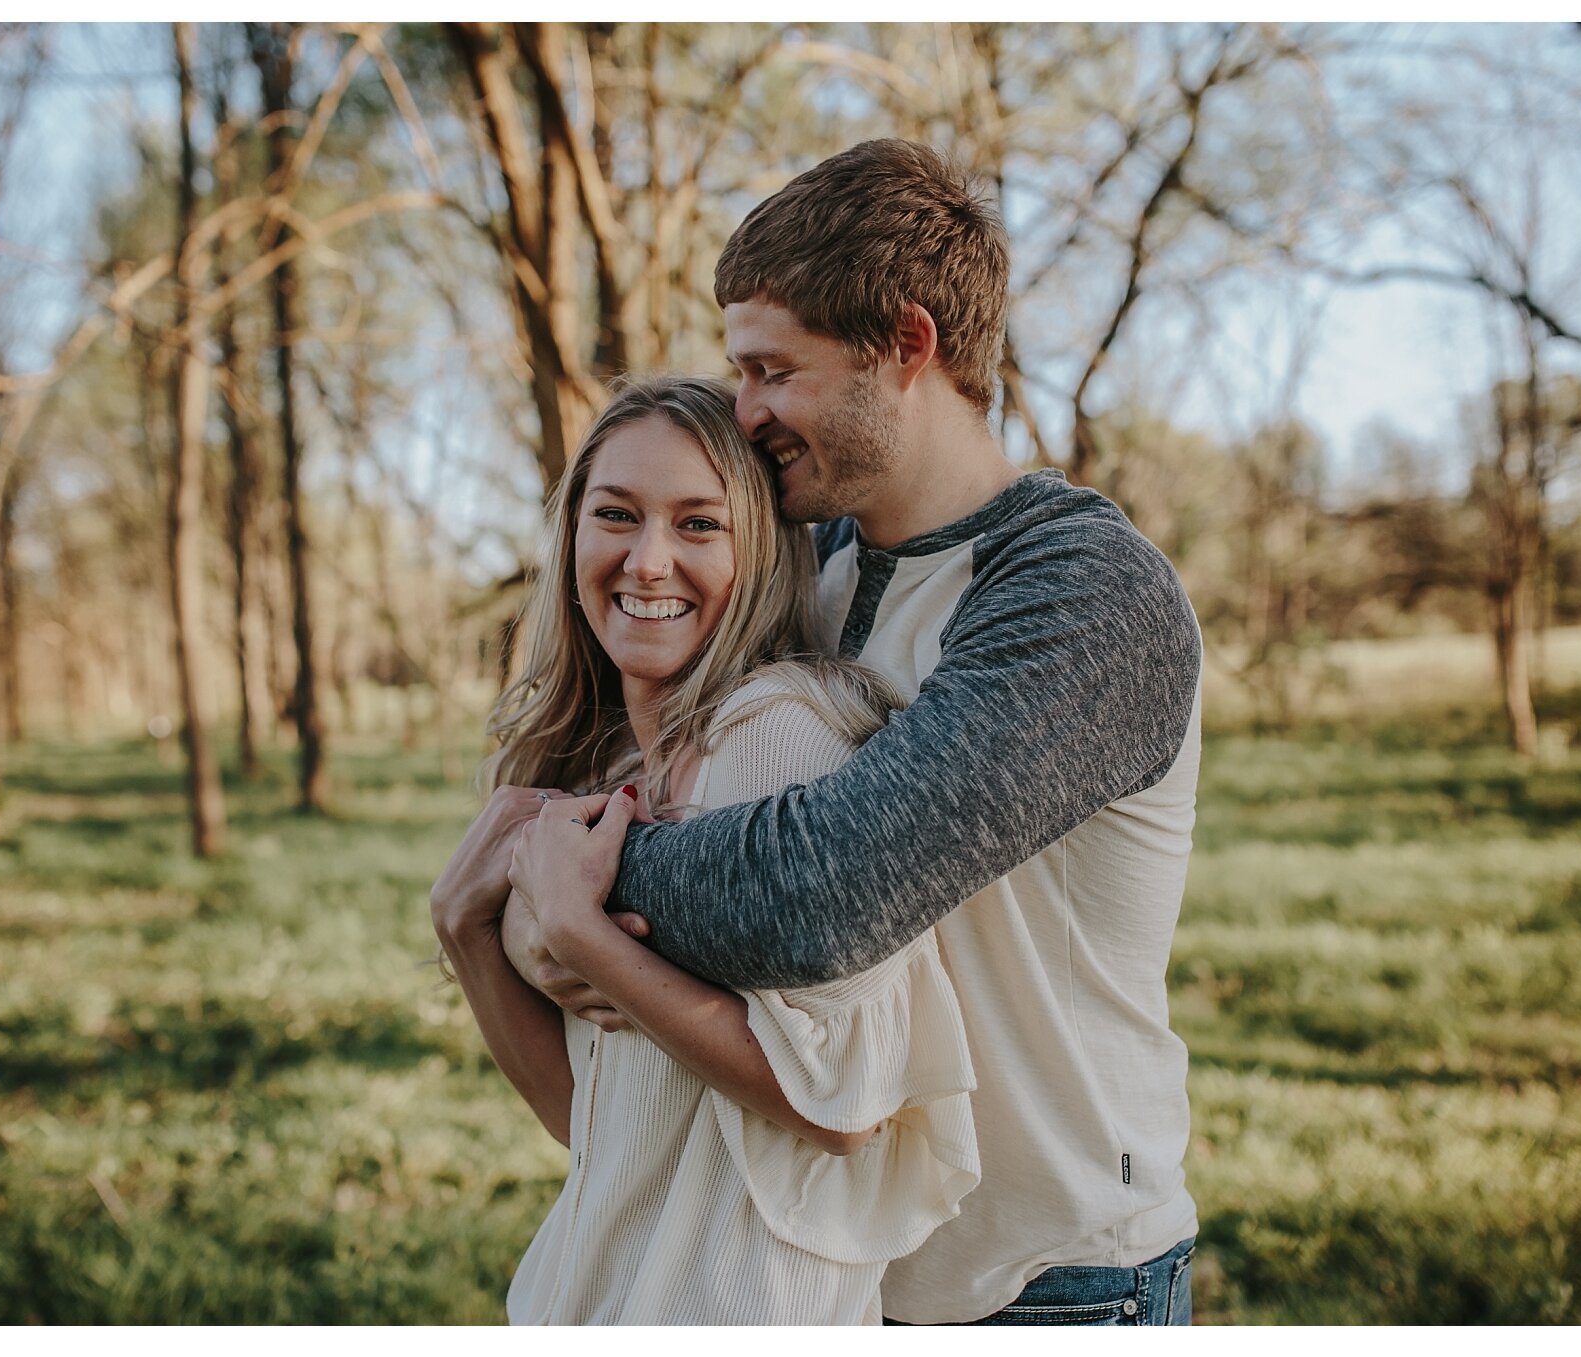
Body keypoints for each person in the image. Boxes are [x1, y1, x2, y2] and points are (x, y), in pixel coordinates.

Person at [502, 140, 1205, 1325]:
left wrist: (564, 867)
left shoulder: (1079, 592)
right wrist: (526, 905)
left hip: (1049, 1280)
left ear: (906, 347)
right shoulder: (807, 567)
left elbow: (824, 891)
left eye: (775, 370)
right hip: (834, 1267)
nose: (746, 410)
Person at [430, 375, 981, 1325]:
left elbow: (844, 1114)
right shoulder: (606, 765)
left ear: (760, 551)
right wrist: (467, 931)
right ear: (571, 538)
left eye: (698, 525)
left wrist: (576, 929)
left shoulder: (775, 734)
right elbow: (597, 1133)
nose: (647, 561)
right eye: (616, 514)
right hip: (589, 1300)